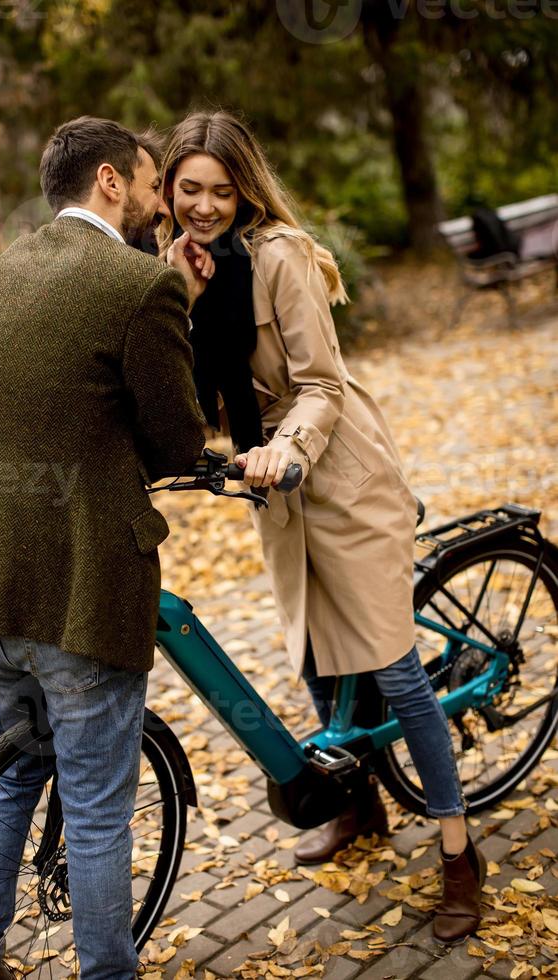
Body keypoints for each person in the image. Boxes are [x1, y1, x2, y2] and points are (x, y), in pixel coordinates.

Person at [157, 110, 487, 945]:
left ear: (245, 188)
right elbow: (193, 386)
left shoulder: (282, 257)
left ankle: (458, 851)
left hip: (336, 475)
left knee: (396, 672)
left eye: (220, 191)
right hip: (273, 484)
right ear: (167, 188)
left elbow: (322, 386)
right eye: (187, 188)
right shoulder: (178, 265)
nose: (203, 205)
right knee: (311, 651)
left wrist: (286, 450)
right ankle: (361, 807)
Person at [0, 116, 211, 980]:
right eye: (154, 181)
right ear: (110, 181)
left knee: (13, 774)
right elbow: (175, 444)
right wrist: (183, 309)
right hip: (83, 595)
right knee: (95, 811)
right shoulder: (139, 285)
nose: (164, 201)